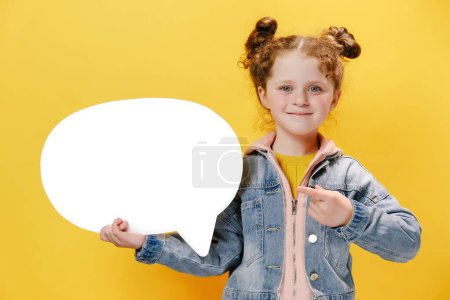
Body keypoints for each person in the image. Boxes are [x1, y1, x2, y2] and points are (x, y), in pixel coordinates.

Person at [100, 16, 422, 300]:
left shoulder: (348, 175)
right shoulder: (239, 172)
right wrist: (145, 242)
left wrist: (351, 216)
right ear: (263, 94)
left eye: (315, 88)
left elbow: (408, 242)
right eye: (285, 87)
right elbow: (215, 256)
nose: (300, 100)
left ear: (334, 97)